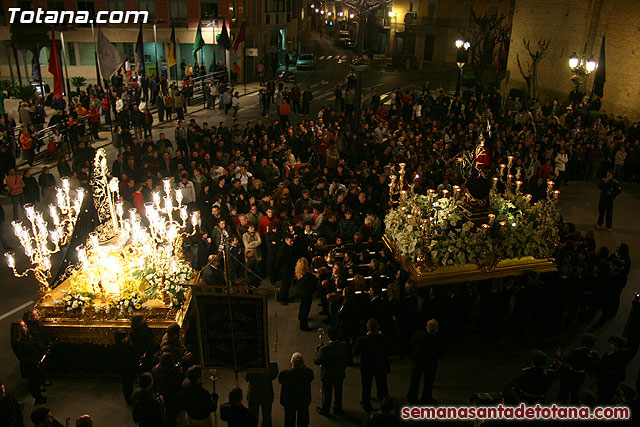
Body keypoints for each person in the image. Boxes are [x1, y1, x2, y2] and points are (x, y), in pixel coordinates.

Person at [313, 325, 352, 417]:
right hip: (339, 372)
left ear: (328, 336)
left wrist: (318, 350)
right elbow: (348, 360)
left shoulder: (324, 349)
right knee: (338, 391)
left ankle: (325, 409)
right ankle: (337, 407)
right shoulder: (344, 346)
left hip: (327, 374)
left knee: (327, 392)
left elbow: (316, 361)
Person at [353, 319, 390, 413]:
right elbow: (390, 351)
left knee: (366, 385)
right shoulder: (384, 339)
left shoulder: (362, 340)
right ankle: (383, 402)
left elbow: (355, 351)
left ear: (368, 328)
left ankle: (366, 403)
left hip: (367, 366)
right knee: (382, 384)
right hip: (381, 365)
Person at [556, 333, 599, 404]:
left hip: (570, 373)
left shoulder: (577, 351)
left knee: (564, 390)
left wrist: (560, 355)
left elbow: (566, 360)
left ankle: (561, 405)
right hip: (581, 375)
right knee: (575, 391)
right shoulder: (594, 354)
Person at [407, 318, 442, 404]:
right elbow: (441, 351)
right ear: (436, 329)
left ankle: (412, 397)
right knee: (428, 381)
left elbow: (412, 344)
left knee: (415, 380)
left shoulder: (419, 335)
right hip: (431, 362)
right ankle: (426, 398)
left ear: (427, 327)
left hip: (418, 361)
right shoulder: (438, 339)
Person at [10, 320, 46, 404]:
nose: (25, 326)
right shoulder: (16, 341)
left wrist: (43, 348)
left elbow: (35, 342)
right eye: (23, 326)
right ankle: (36, 398)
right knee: (32, 381)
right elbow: (22, 357)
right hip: (29, 364)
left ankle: (39, 395)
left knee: (37, 379)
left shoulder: (27, 335)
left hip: (35, 360)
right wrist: (33, 362)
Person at [278, 352, 314, 427]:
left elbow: (280, 380)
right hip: (303, 400)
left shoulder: (285, 374)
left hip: (289, 401)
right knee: (303, 422)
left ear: (291, 362)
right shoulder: (308, 372)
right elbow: (311, 377)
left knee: (289, 421)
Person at [596, 336, 632, 404]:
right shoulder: (625, 355)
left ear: (616, 346)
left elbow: (600, 366)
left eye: (612, 344)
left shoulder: (609, 356)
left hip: (605, 380)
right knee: (609, 396)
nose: (611, 345)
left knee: (601, 398)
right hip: (615, 381)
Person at [245, 362, 279, 427]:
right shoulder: (270, 365)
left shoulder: (252, 365)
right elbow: (274, 375)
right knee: (267, 418)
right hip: (267, 393)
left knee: (253, 418)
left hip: (253, 394)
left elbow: (247, 377)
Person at [114, 329, 137, 405]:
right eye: (124, 338)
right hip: (125, 368)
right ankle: (129, 399)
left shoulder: (125, 345)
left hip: (128, 367)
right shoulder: (120, 347)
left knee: (129, 384)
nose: (126, 339)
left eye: (126, 337)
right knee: (127, 384)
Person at [295, 258, 317, 331]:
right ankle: (303, 325)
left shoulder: (299, 274)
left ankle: (300, 317)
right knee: (306, 308)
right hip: (307, 293)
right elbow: (313, 282)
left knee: (302, 306)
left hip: (301, 292)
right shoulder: (308, 276)